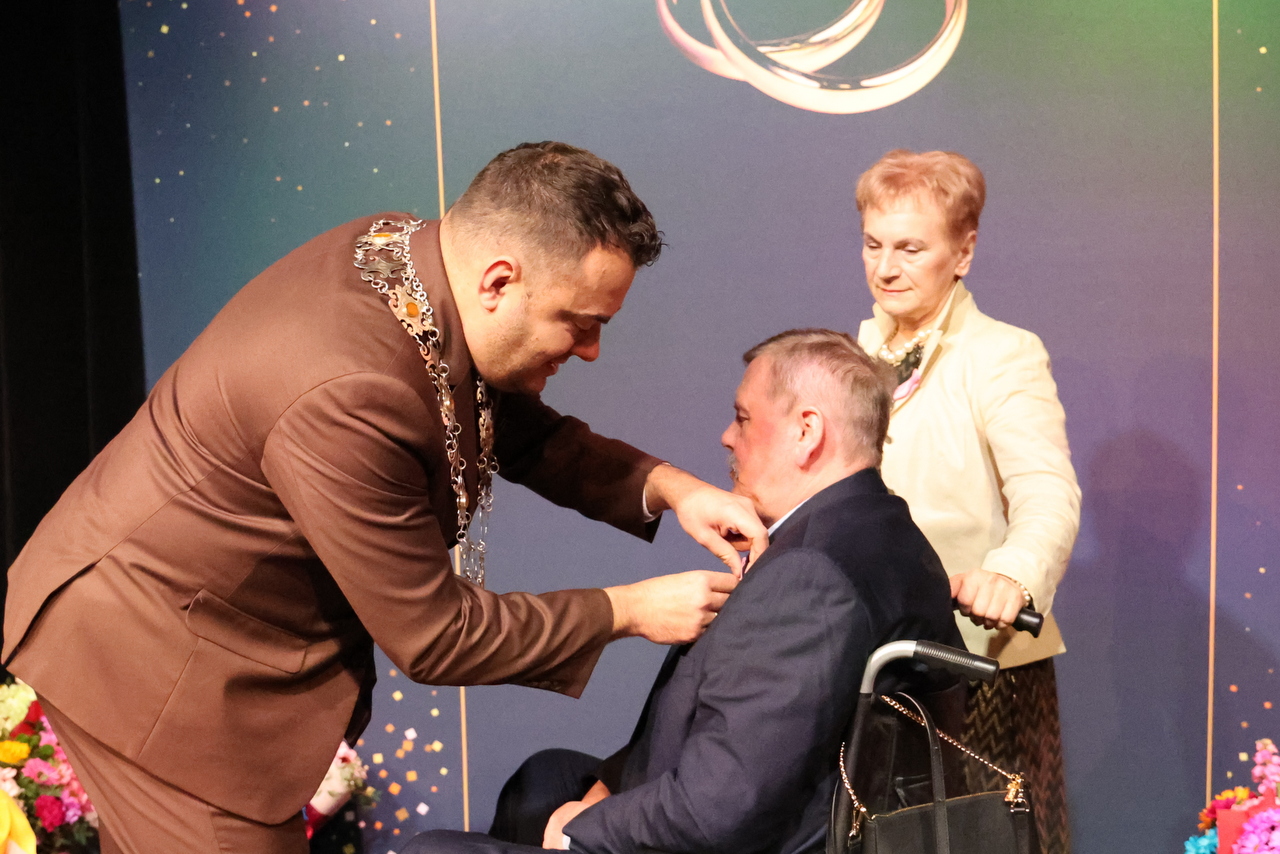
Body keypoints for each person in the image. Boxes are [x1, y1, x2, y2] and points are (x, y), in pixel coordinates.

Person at [0, 142, 769, 854]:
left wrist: (670, 488)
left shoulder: (417, 264)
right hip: (154, 664)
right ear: (499, 281)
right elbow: (436, 637)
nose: (592, 350)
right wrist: (629, 611)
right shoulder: (348, 389)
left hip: (204, 637)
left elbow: (501, 420)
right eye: (581, 323)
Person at [403, 328, 965, 854]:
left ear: (806, 432)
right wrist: (610, 787)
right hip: (782, 805)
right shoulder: (888, 531)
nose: (727, 436)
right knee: (544, 778)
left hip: (744, 833)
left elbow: (720, 807)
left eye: (743, 419)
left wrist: (581, 832)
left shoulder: (808, 577)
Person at [853, 149, 1082, 852]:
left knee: (983, 838)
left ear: (964, 251)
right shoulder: (854, 356)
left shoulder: (1002, 354)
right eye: (873, 244)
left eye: (910, 248)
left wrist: (1010, 576)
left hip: (977, 661)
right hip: (870, 655)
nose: (885, 268)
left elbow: (1047, 492)